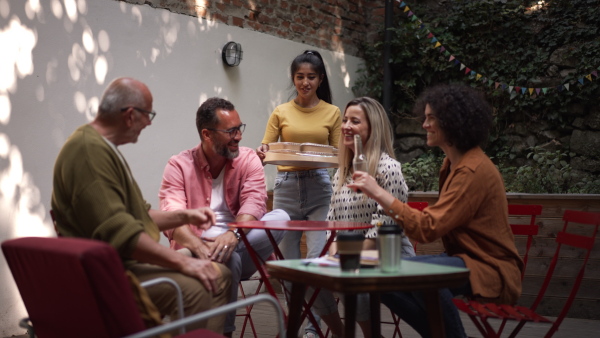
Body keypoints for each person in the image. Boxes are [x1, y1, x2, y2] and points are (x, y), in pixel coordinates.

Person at [51, 77, 231, 333]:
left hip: (121, 263)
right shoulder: (89, 152)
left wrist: (185, 217)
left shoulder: (101, 148)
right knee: (199, 286)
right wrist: (182, 263)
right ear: (130, 115)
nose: (148, 122)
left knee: (220, 274)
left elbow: (141, 214)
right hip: (109, 273)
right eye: (148, 114)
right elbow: (122, 233)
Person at [348, 84, 523, 338]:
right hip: (464, 259)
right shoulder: (452, 164)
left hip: (490, 267)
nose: (424, 125)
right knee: (380, 276)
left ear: (452, 123)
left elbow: (427, 229)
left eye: (431, 118)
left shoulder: (472, 171)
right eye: (425, 117)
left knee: (423, 276)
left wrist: (377, 191)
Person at [158, 97, 289, 337]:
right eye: (231, 131)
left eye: (239, 128)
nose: (238, 136)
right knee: (229, 260)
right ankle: (224, 333)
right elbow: (173, 219)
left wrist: (233, 234)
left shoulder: (248, 159)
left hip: (241, 239)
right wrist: (200, 247)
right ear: (207, 135)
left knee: (280, 217)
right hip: (199, 253)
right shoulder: (179, 165)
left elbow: (255, 202)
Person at [256, 50, 342, 338]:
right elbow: (266, 149)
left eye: (311, 77)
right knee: (289, 264)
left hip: (320, 186)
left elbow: (342, 154)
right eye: (300, 77)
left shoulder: (332, 112)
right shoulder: (281, 111)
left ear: (320, 80)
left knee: (317, 260)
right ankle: (299, 324)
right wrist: (263, 152)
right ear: (294, 79)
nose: (305, 82)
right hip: (286, 187)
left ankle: (311, 329)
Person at [324, 97, 416, 337]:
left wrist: (347, 257)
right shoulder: (342, 172)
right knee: (300, 278)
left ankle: (371, 335)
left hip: (389, 252)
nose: (345, 126)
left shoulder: (389, 168)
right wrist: (334, 248)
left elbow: (386, 223)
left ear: (372, 128)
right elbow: (331, 217)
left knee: (349, 276)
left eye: (354, 121)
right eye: (344, 120)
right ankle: (342, 333)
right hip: (350, 251)